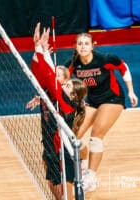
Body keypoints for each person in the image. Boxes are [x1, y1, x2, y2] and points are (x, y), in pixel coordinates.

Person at [65, 32, 139, 192]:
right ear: (75, 46)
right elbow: (61, 78)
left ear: (93, 46)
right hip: (90, 101)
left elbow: (123, 67)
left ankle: (91, 177)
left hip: (111, 99)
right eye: (80, 44)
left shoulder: (104, 59)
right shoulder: (73, 62)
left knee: (95, 136)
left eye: (86, 43)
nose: (83, 47)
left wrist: (131, 91)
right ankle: (84, 162)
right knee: (73, 136)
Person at [27, 23, 87, 200]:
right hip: (50, 150)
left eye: (67, 85)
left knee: (67, 197)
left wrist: (41, 49)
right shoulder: (51, 96)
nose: (62, 85)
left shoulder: (67, 105)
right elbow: (40, 75)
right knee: (58, 196)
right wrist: (38, 50)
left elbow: (49, 76)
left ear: (74, 96)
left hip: (62, 154)